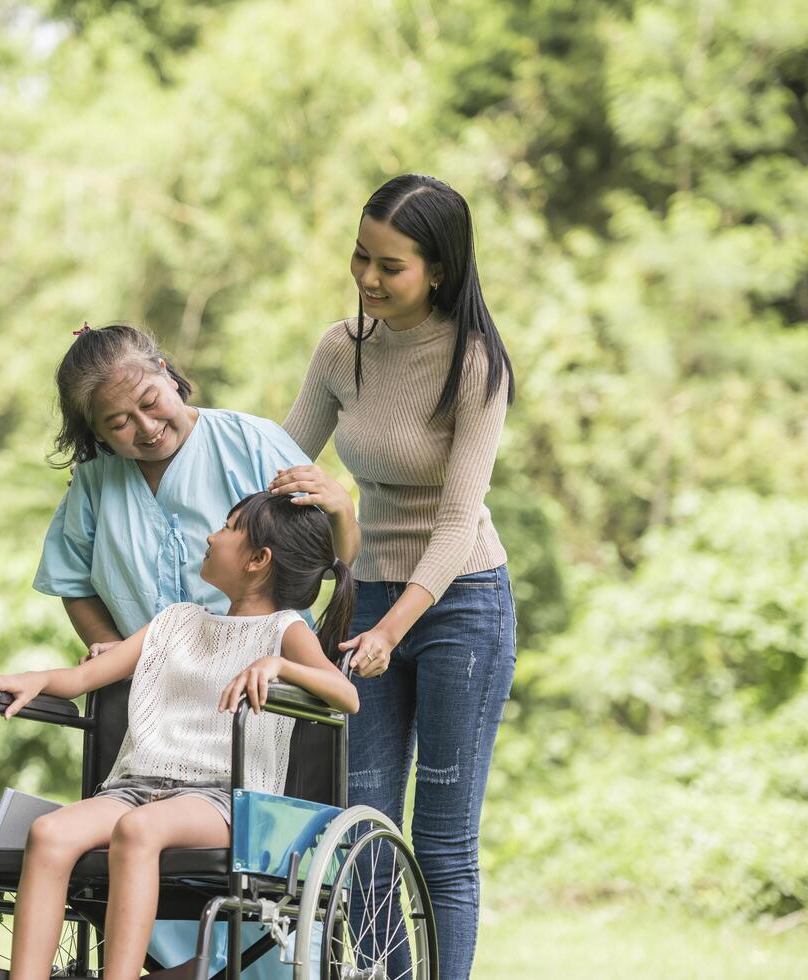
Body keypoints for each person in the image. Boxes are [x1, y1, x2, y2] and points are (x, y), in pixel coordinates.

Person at [33, 322, 357, 973]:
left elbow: (318, 555)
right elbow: (71, 578)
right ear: (96, 434)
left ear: (168, 372)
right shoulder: (97, 481)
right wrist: (112, 654)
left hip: (249, 704)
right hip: (153, 699)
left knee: (164, 842)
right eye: (117, 423)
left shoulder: (252, 441)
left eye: (151, 402)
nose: (145, 428)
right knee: (116, 834)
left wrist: (343, 514)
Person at [280, 173, 518, 979]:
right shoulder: (339, 349)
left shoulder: (475, 363)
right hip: (365, 602)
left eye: (390, 266)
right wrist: (161, 408)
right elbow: (279, 465)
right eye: (360, 257)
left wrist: (390, 628)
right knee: (363, 828)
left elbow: (456, 522)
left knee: (442, 844)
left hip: (459, 606)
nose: (368, 279)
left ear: (439, 269)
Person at [0, 492, 359, 979]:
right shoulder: (175, 622)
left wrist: (281, 666)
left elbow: (347, 696)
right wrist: (34, 680)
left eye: (228, 527)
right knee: (48, 833)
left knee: (139, 830)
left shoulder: (283, 631)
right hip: (134, 787)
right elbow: (84, 679)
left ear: (259, 560)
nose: (211, 535)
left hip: (222, 799)